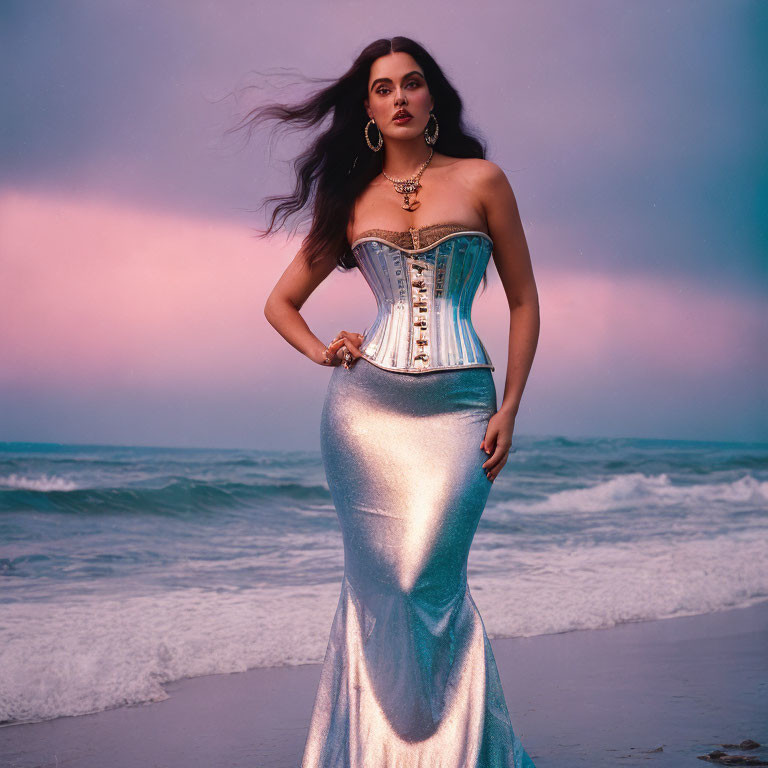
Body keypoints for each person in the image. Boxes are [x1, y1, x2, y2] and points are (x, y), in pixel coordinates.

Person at [258, 36, 539, 768]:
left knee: (425, 581)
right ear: (369, 112)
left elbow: (524, 300)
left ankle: (459, 753)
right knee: (380, 591)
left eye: (411, 84)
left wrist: (509, 406)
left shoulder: (483, 181)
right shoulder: (351, 200)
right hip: (364, 415)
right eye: (383, 89)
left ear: (432, 97)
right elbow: (281, 303)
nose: (400, 98)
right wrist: (327, 351)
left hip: (461, 409)